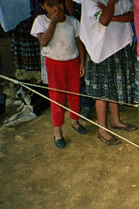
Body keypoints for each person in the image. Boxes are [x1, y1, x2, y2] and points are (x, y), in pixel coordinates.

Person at [78, 0, 137, 145]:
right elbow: (104, 20)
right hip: (99, 49)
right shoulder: (90, 1)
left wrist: (114, 17)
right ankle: (102, 129)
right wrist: (111, 4)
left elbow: (133, 14)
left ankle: (116, 120)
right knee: (102, 90)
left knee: (114, 85)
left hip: (117, 44)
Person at [31, 0, 86, 148]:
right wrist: (53, 22)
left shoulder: (73, 21)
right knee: (57, 98)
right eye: (50, 4)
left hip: (72, 61)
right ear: (42, 6)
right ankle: (58, 132)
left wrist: (82, 62)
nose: (56, 8)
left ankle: (75, 121)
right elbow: (44, 41)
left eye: (59, 3)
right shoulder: (41, 21)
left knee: (75, 94)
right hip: (54, 63)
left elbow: (79, 42)